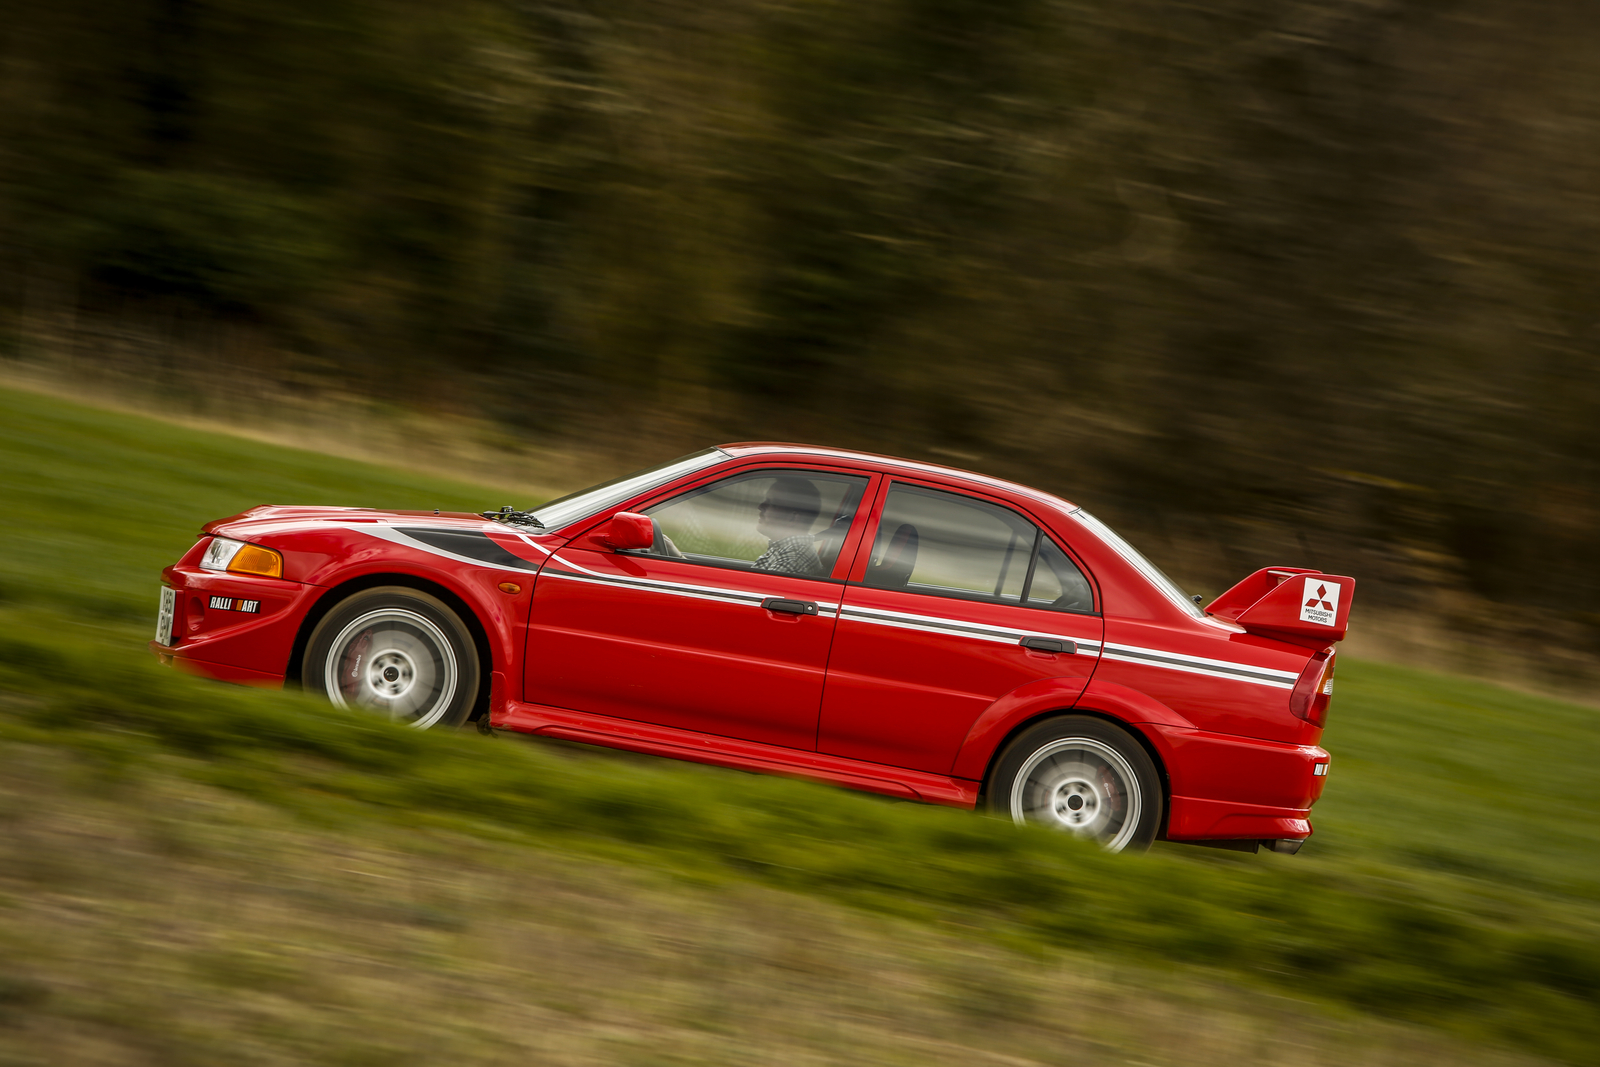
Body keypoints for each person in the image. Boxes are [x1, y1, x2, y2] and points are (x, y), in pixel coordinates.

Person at [751, 477, 824, 575]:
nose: (760, 506)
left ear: (793, 518)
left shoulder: (790, 561)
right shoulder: (785, 550)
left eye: (771, 503)